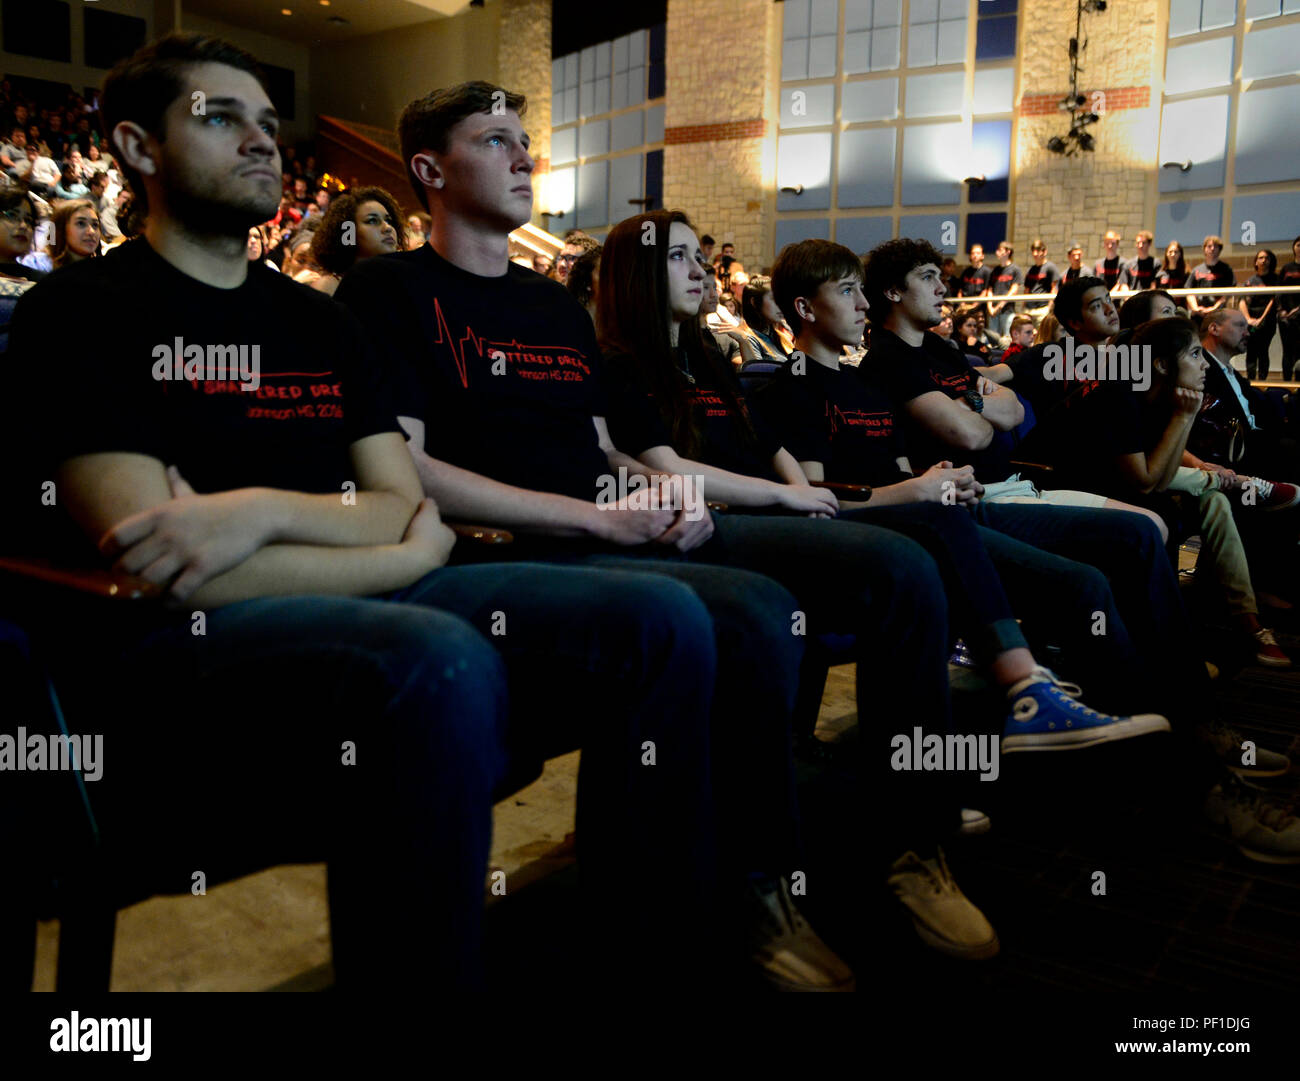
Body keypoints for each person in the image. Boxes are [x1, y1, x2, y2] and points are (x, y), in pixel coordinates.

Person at [334, 81, 860, 988]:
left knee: (765, 608)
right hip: (490, 545)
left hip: (594, 528)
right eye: (496, 140)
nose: (525, 156)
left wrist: (664, 492)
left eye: (525, 141)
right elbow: (410, 468)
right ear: (428, 169)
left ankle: (751, 880)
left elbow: (595, 449)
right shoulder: (388, 287)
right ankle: (653, 928)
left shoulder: (551, 310)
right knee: (677, 621)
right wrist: (596, 516)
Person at [309, 185, 404, 296]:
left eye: (389, 221)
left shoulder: (397, 285)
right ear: (349, 233)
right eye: (372, 221)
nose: (388, 228)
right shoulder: (329, 287)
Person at [1240, 248, 1279, 381]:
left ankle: (1262, 381)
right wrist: (1248, 319)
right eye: (1260, 258)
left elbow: (1273, 300)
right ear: (1256, 262)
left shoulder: (1275, 279)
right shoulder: (1250, 281)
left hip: (1267, 321)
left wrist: (1261, 319)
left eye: (1266, 258)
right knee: (1251, 352)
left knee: (1263, 351)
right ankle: (1250, 381)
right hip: (1251, 321)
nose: (1263, 261)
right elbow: (1242, 301)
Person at [735, 274, 793, 363]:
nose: (781, 304)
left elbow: (800, 371)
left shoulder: (780, 334)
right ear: (754, 302)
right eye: (774, 299)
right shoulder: (746, 338)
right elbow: (754, 374)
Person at [984, 240, 1022, 342]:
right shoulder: (995, 270)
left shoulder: (1015, 269)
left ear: (1008, 252)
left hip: (1007, 311)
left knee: (1008, 338)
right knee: (992, 338)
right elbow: (990, 289)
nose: (997, 252)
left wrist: (999, 306)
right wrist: (990, 307)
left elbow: (1014, 290)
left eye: (1000, 250)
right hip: (993, 312)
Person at [1187, 235, 1235, 316]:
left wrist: (1214, 308)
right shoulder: (1196, 270)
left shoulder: (1226, 269)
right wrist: (1196, 308)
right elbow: (1188, 291)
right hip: (1199, 314)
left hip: (1218, 313)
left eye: (1215, 246)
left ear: (1220, 249)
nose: (1212, 249)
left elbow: (1228, 293)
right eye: (1209, 246)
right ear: (1204, 249)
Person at [49, 198, 101, 268]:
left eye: (95, 225)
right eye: (81, 223)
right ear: (61, 228)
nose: (91, 232)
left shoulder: (105, 269)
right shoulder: (38, 265)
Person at [1278, 236, 1300, 381]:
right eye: (1298, 244)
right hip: (1286, 317)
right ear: (1294, 247)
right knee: (1287, 352)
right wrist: (1282, 311)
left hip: (1299, 315)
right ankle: (1286, 383)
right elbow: (1279, 291)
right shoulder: (1287, 268)